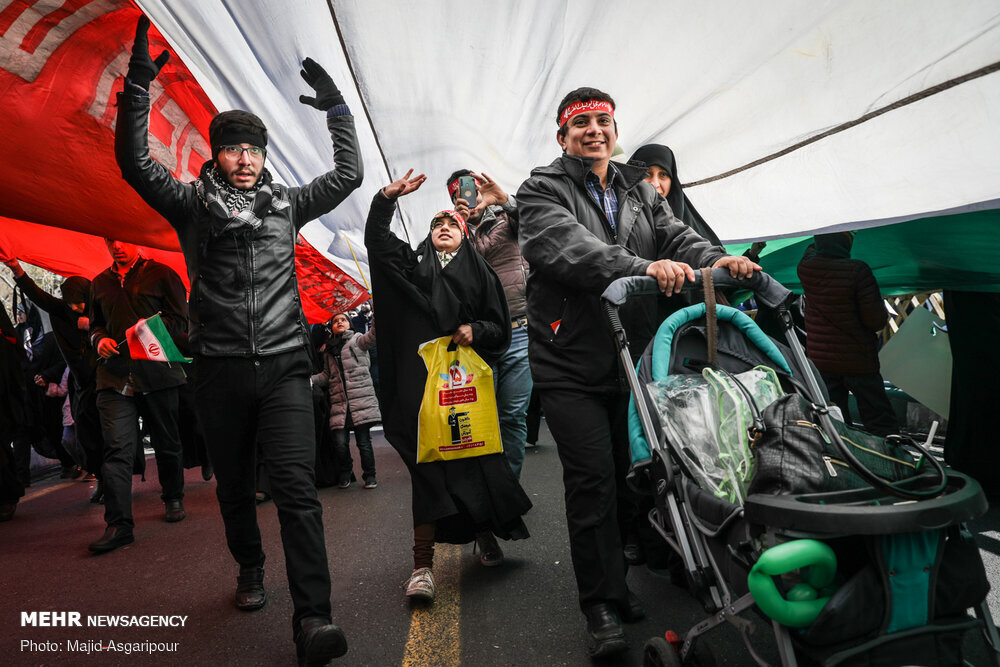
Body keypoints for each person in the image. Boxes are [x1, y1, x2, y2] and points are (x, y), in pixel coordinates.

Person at [114, 17, 362, 664]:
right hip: (218, 372)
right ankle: (249, 566)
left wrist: (337, 108)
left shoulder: (287, 205)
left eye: (255, 148)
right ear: (216, 153)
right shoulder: (191, 204)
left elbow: (348, 175)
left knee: (296, 489)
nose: (246, 158)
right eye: (234, 148)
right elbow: (134, 162)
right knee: (232, 490)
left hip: (283, 366)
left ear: (264, 156)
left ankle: (314, 618)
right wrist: (138, 84)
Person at [516, 87, 758, 658]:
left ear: (614, 128)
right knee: (593, 480)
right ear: (562, 136)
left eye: (603, 121)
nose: (594, 130)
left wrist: (714, 258)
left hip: (634, 354)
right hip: (568, 359)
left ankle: (622, 585)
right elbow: (570, 250)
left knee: (638, 473)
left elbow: (677, 236)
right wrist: (644, 267)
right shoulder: (541, 190)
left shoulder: (640, 190)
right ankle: (600, 601)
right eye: (582, 124)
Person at [365, 170, 531, 603]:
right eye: (437, 223)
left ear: (464, 236)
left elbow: (500, 328)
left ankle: (485, 534)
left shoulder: (483, 276)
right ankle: (422, 567)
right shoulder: (410, 268)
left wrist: (476, 329)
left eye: (452, 224)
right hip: (421, 391)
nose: (443, 227)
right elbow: (378, 242)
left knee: (474, 465)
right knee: (428, 471)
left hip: (465, 390)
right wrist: (385, 199)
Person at [88, 237, 189, 553]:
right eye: (110, 240)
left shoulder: (162, 273)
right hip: (114, 377)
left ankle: (173, 496)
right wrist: (98, 340)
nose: (117, 245)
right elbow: (95, 326)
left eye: (122, 239)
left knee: (166, 441)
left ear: (135, 240)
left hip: (157, 371)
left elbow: (181, 321)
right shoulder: (99, 283)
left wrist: (152, 327)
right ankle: (119, 525)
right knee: (116, 449)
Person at [448, 169, 532, 478]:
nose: (468, 197)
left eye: (470, 189)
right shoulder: (452, 229)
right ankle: (487, 490)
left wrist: (505, 200)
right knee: (480, 417)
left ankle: (508, 487)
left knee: (512, 415)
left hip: (519, 331)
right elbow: (446, 270)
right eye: (458, 193)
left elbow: (537, 224)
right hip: (477, 337)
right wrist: (457, 224)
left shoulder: (508, 221)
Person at [4, 258, 104, 498]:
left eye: (79, 303)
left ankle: (112, 484)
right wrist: (17, 269)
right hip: (80, 387)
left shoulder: (101, 311)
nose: (75, 308)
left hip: (105, 382)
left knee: (108, 436)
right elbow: (38, 295)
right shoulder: (62, 312)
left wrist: (92, 327)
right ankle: (100, 476)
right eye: (70, 304)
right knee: (80, 438)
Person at [797, 232, 899, 436]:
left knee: (835, 418)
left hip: (822, 360)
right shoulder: (858, 270)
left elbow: (810, 251)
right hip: (857, 359)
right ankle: (889, 458)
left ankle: (843, 457)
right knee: (878, 417)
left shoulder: (806, 268)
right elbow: (875, 320)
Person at [311, 312, 380, 489]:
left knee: (364, 443)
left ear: (349, 323)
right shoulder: (328, 351)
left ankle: (370, 475)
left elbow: (373, 336)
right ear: (331, 327)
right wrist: (310, 380)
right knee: (340, 444)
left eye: (343, 320)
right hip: (340, 403)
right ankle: (345, 472)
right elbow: (326, 376)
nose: (339, 322)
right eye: (335, 321)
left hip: (360, 401)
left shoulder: (358, 340)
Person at [628, 143, 723, 246]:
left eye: (663, 175)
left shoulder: (690, 228)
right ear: (633, 176)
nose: (655, 184)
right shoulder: (618, 219)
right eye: (646, 174)